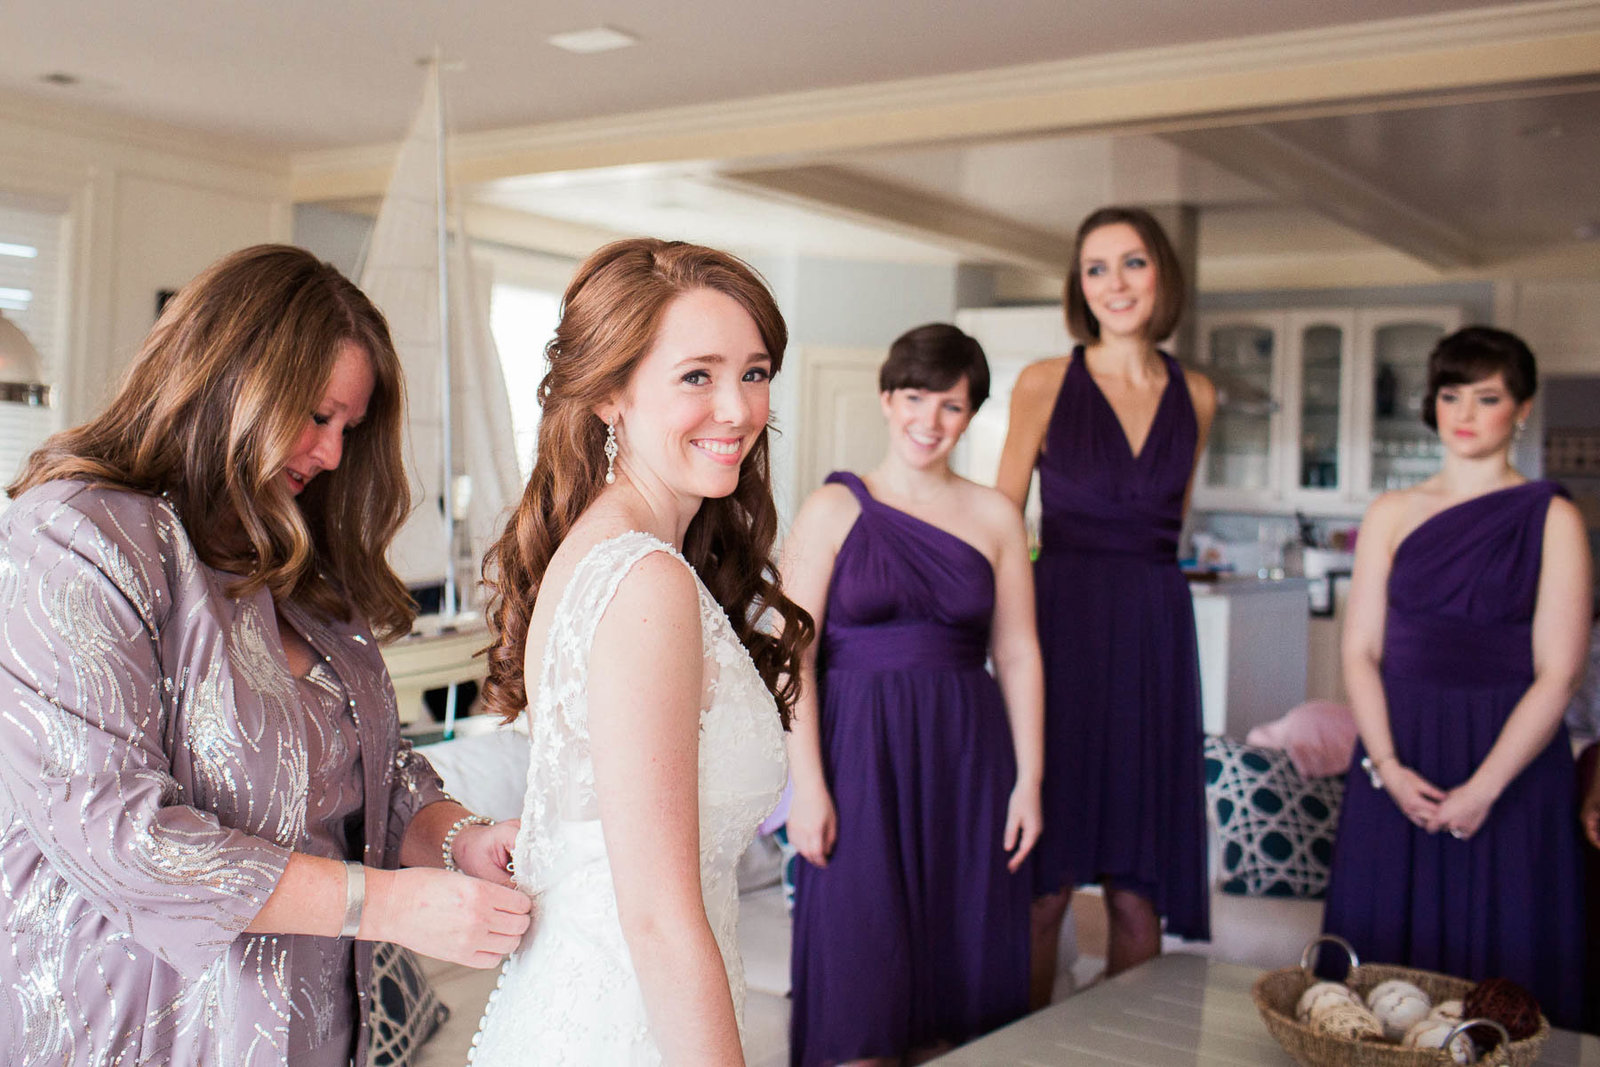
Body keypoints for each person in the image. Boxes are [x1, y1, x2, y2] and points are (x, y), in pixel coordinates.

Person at [0, 244, 531, 1066]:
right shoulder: (76, 538)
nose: (331, 455)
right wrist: (381, 905)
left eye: (349, 428)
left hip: (311, 1030)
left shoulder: (301, 560)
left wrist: (459, 836)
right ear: (232, 379)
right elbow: (117, 830)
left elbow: (379, 778)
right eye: (317, 416)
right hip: (134, 1025)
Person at [467, 238, 811, 1065]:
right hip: (626, 1027)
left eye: (754, 373)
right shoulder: (643, 579)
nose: (737, 408)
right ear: (611, 394)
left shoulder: (619, 551)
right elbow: (656, 916)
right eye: (697, 375)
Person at [784, 324, 1045, 1066]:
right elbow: (791, 659)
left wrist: (1029, 779)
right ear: (886, 398)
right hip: (858, 758)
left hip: (969, 761)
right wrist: (808, 788)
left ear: (972, 415)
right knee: (859, 986)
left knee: (959, 996)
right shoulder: (830, 509)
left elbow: (1018, 651)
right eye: (914, 397)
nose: (929, 421)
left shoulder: (997, 514)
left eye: (953, 406)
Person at [1322, 326, 1590, 1029]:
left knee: (1504, 983)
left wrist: (1484, 788)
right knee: (1378, 989)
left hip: (1510, 761)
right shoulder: (1389, 512)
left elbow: (1559, 672)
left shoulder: (1554, 517)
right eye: (1450, 394)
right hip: (1398, 755)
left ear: (1522, 408)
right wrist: (1387, 766)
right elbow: (1360, 653)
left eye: (1488, 396)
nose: (1465, 412)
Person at [995, 206, 1216, 1004]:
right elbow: (1001, 523)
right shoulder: (1045, 382)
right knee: (1044, 883)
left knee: (1137, 887)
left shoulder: (1197, 394)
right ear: (1078, 285)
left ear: (1163, 274)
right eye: (1096, 268)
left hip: (1155, 634)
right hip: (1061, 627)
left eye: (1131, 263)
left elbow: (1170, 524)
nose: (1114, 284)